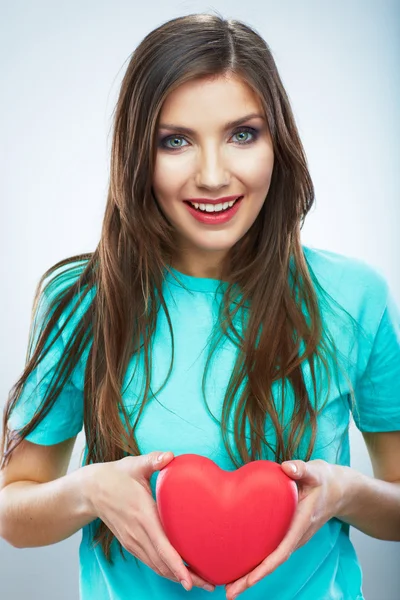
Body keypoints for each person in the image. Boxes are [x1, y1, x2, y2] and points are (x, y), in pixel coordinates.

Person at [1, 12, 399, 600]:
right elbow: (12, 510)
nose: (213, 176)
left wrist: (344, 493)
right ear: (138, 153)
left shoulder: (353, 297)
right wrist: (89, 492)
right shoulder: (82, 301)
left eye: (243, 134)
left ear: (277, 143)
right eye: (175, 141)